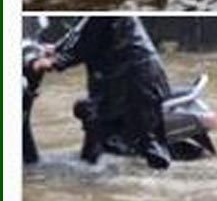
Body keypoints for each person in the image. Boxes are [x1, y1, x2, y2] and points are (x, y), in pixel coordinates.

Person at [31, 17, 173, 169]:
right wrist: (57, 48)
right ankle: (92, 176)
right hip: (116, 80)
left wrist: (56, 61)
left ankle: (161, 180)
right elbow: (82, 31)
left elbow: (89, 41)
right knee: (96, 126)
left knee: (148, 141)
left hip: (135, 80)